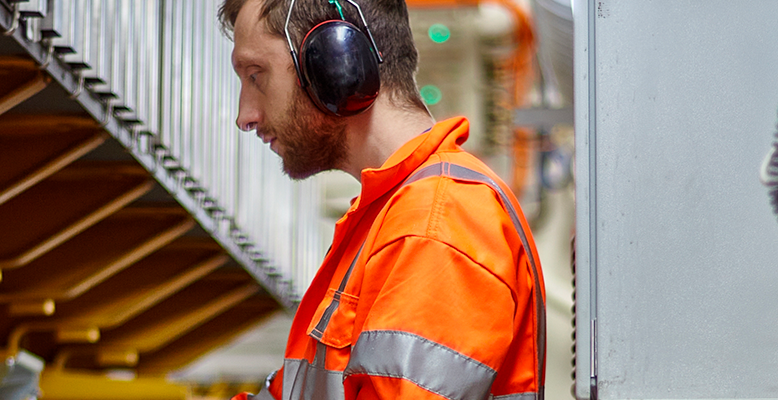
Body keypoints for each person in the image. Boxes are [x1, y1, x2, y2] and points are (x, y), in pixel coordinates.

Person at [219, 0, 545, 399]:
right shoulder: (383, 220)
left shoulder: (435, 224)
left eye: (256, 75)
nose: (245, 115)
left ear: (335, 62)